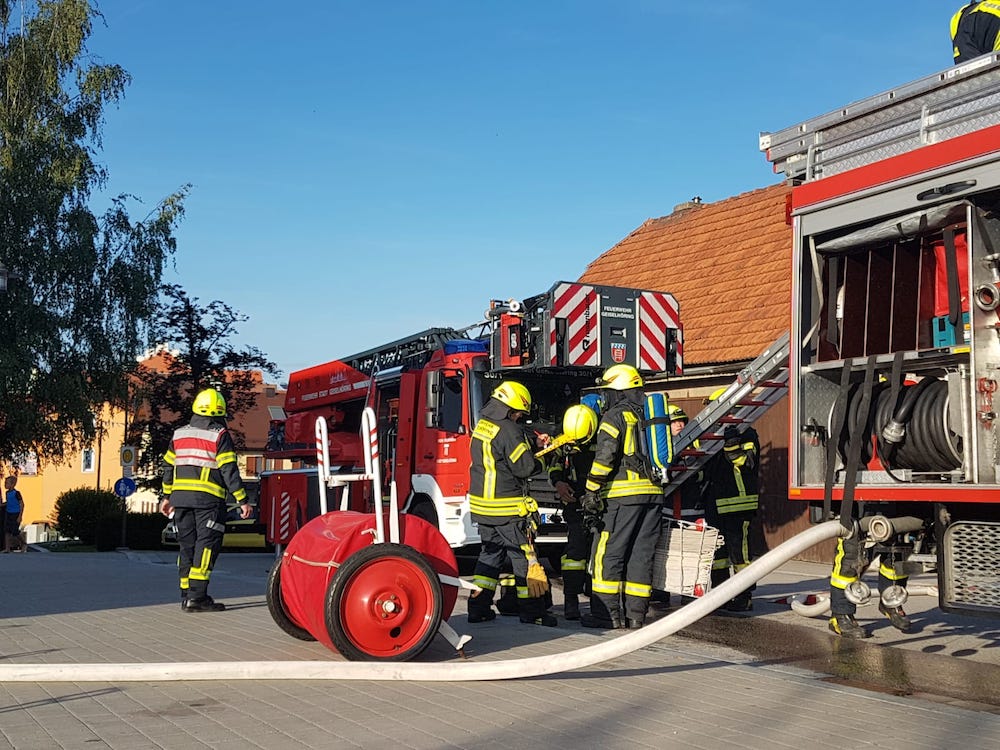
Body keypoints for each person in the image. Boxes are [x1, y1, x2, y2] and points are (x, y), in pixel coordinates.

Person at [580, 364, 664, 630]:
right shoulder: (649, 414)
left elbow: (605, 456)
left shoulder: (615, 416)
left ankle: (607, 616)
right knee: (641, 556)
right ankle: (636, 616)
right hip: (653, 494)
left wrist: (592, 489)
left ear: (616, 391)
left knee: (608, 554)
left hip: (622, 496)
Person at [467, 381, 556, 627]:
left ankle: (478, 607)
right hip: (506, 507)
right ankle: (532, 611)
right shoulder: (509, 430)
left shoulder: (483, 426)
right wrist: (545, 456)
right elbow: (524, 467)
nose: (519, 418)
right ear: (511, 409)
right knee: (524, 558)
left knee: (490, 555)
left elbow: (502, 454)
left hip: (482, 508)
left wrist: (531, 445)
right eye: (518, 413)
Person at [160, 387, 250, 612]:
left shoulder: (179, 434)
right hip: (208, 501)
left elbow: (168, 466)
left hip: (180, 501)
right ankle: (197, 597)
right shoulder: (219, 435)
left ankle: (186, 595)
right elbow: (228, 470)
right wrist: (242, 499)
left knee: (186, 547)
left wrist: (166, 496)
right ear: (219, 413)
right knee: (206, 546)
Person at [702, 388, 760, 612]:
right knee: (718, 554)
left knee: (740, 553)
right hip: (715, 505)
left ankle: (744, 596)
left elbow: (746, 462)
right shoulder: (710, 437)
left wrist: (731, 442)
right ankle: (720, 595)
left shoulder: (746, 433)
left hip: (739, 505)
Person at [546, 402, 600, 620]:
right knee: (574, 555)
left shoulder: (603, 436)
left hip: (600, 504)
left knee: (600, 555)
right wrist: (558, 482)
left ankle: (599, 602)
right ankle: (571, 600)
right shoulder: (565, 438)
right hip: (574, 503)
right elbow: (554, 464)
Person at [828, 526, 912, 639]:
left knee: (897, 552)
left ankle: (890, 601)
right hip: (857, 512)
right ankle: (841, 615)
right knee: (851, 555)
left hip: (896, 509)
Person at [4, 475, 24, 553]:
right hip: (8, 513)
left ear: (12, 484)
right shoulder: (7, 493)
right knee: (7, 530)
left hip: (15, 513)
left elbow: (22, 504)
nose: (5, 484)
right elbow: (9, 502)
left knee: (15, 531)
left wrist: (20, 516)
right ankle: (7, 548)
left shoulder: (17, 493)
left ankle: (24, 543)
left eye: (6, 483)